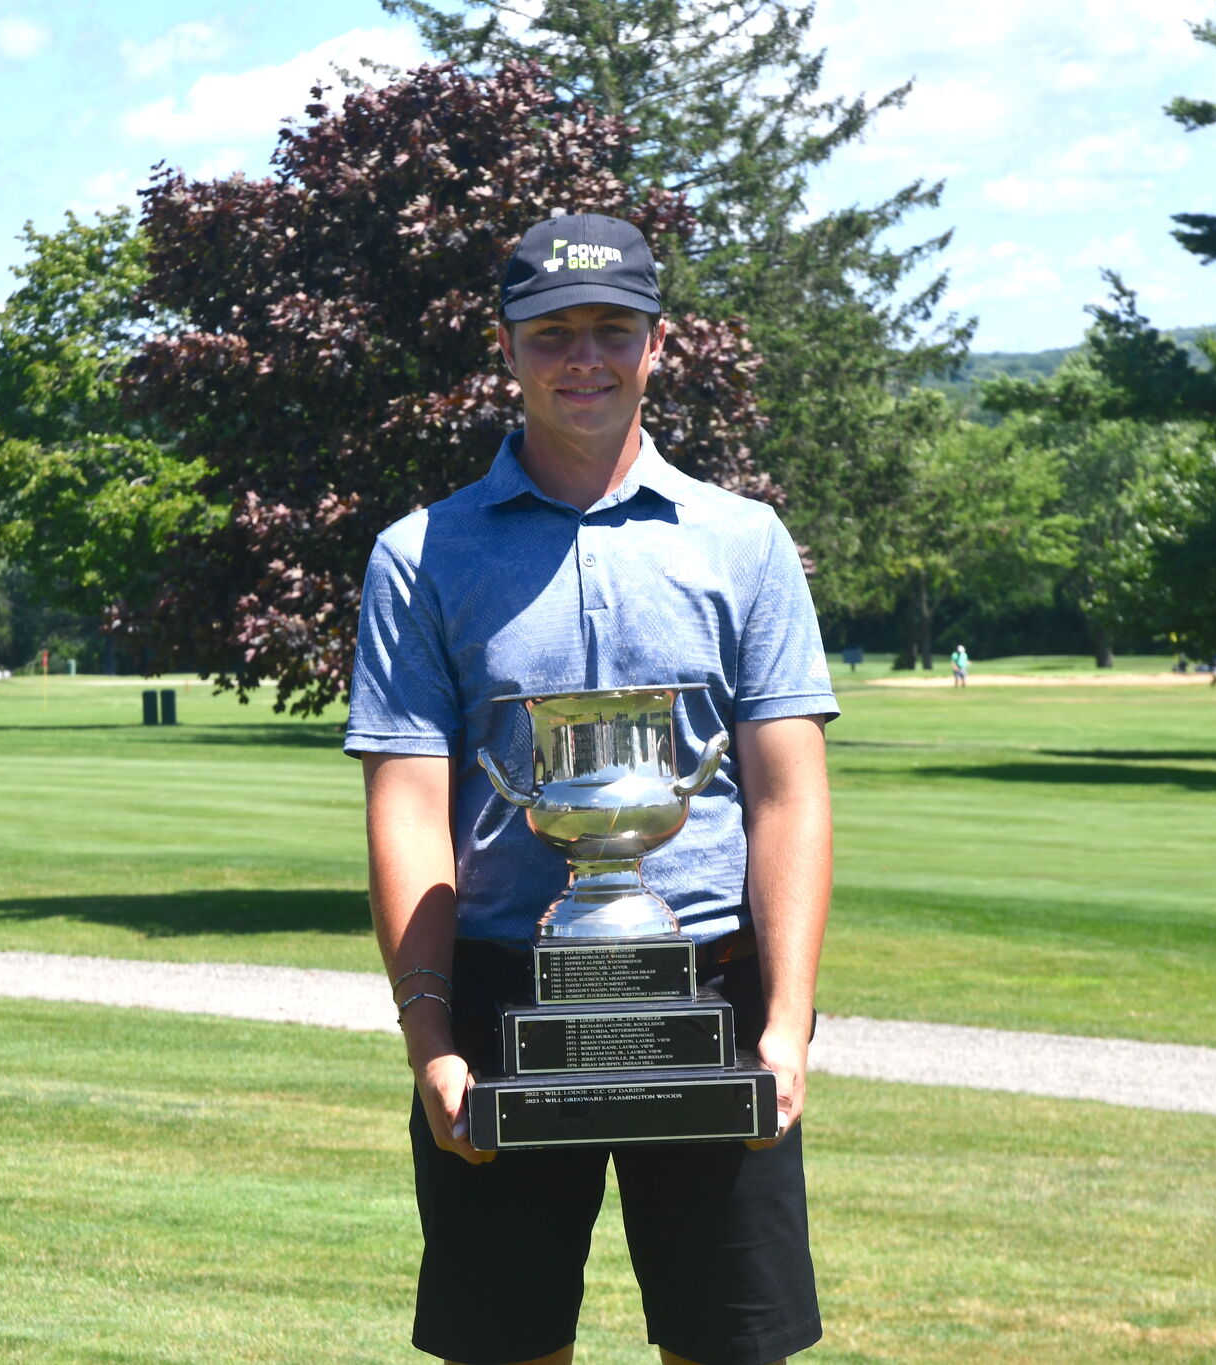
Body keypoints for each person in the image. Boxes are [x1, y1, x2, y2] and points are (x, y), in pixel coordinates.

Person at [347, 212, 838, 1365]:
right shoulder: (420, 555)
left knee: (729, 1347)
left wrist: (784, 1025)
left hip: (710, 993)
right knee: (505, 1347)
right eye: (551, 332)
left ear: (655, 345)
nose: (583, 358)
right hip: (501, 1001)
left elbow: (787, 796)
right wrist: (429, 1044)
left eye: (610, 330)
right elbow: (408, 806)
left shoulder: (743, 542)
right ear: (506, 348)